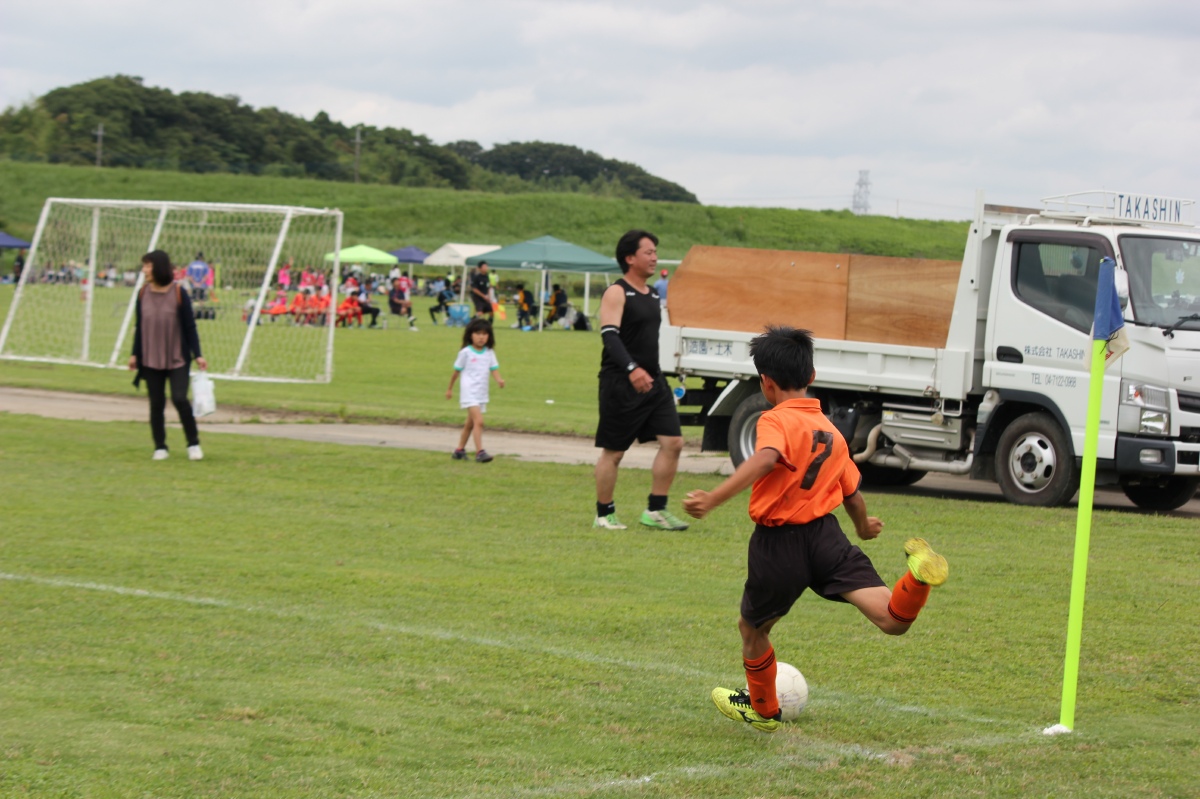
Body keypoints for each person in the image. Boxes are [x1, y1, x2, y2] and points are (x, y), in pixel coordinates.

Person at [682, 326, 949, 733]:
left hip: (778, 544)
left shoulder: (775, 419)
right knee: (892, 619)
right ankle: (917, 578)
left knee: (752, 629)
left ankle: (764, 710)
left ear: (766, 383)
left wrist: (712, 498)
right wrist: (863, 528)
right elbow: (852, 494)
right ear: (811, 376)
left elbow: (766, 457)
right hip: (827, 537)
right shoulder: (832, 433)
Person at [593, 229, 687, 531]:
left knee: (673, 442)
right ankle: (604, 514)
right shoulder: (616, 292)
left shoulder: (653, 293)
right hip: (620, 382)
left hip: (653, 381)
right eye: (649, 252)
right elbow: (610, 335)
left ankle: (655, 511)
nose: (655, 257)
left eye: (655, 252)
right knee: (614, 452)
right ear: (630, 258)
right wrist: (632, 369)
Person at [127, 250, 208, 461]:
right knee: (156, 403)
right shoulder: (142, 294)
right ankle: (160, 447)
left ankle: (193, 443)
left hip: (177, 357)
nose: (144, 270)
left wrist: (198, 355)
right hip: (150, 357)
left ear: (159, 267)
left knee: (179, 398)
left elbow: (190, 327)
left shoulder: (179, 293)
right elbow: (140, 326)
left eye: (147, 266)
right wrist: (134, 354)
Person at [446, 318, 505, 463]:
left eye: (485, 334)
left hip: (481, 393)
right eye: (478, 333)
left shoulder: (489, 352)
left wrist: (499, 380)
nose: (481, 337)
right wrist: (450, 389)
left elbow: (494, 368)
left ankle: (459, 450)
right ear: (470, 335)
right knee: (479, 421)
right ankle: (480, 452)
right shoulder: (465, 353)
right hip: (469, 392)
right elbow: (456, 372)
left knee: (470, 423)